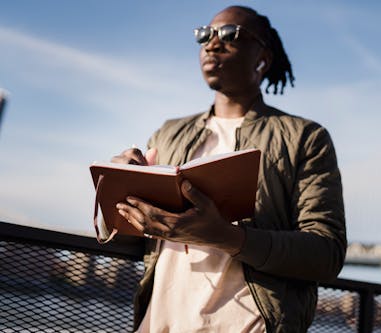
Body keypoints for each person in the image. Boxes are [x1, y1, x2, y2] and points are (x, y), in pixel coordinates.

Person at [111, 5, 347, 333]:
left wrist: (224, 236)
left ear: (262, 59)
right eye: (205, 35)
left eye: (230, 35)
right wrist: (116, 196)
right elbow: (139, 239)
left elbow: (327, 252)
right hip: (157, 324)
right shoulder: (167, 134)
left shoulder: (304, 138)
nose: (212, 44)